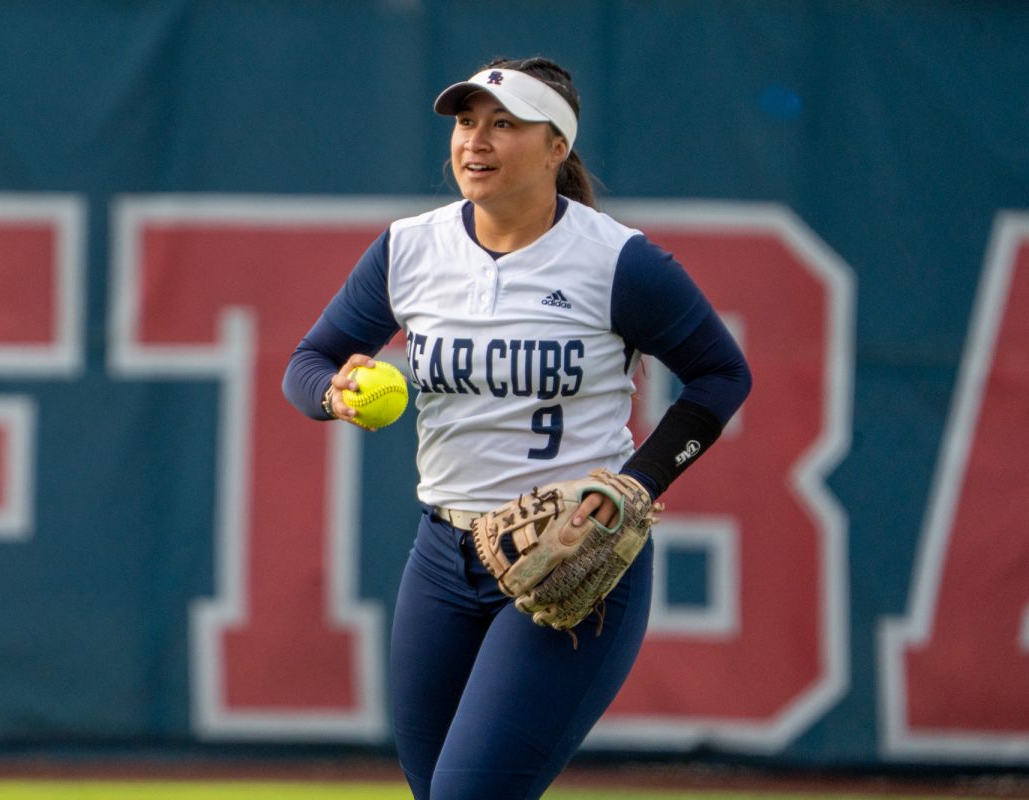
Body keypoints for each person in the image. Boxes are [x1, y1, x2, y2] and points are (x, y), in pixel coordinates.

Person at [282, 56, 751, 800]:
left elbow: (722, 376)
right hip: (442, 555)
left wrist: (638, 482)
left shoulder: (616, 260)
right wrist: (330, 395)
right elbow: (307, 363)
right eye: (467, 122)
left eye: (505, 124)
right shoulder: (409, 249)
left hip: (570, 552)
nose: (476, 140)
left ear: (557, 148)